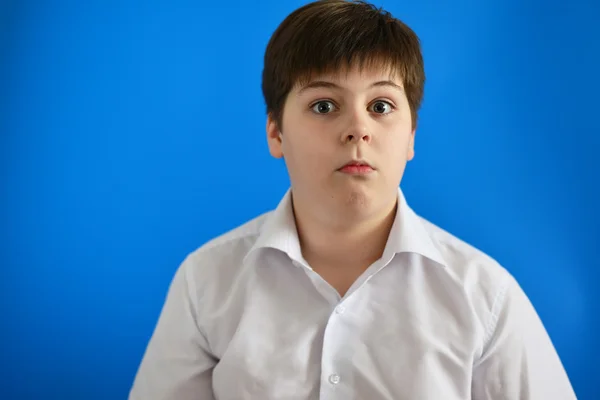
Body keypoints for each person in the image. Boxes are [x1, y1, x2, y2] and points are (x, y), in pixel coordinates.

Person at [129, 1, 577, 399]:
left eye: (381, 106)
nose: (358, 129)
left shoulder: (485, 297)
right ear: (275, 132)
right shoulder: (206, 282)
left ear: (411, 136)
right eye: (324, 105)